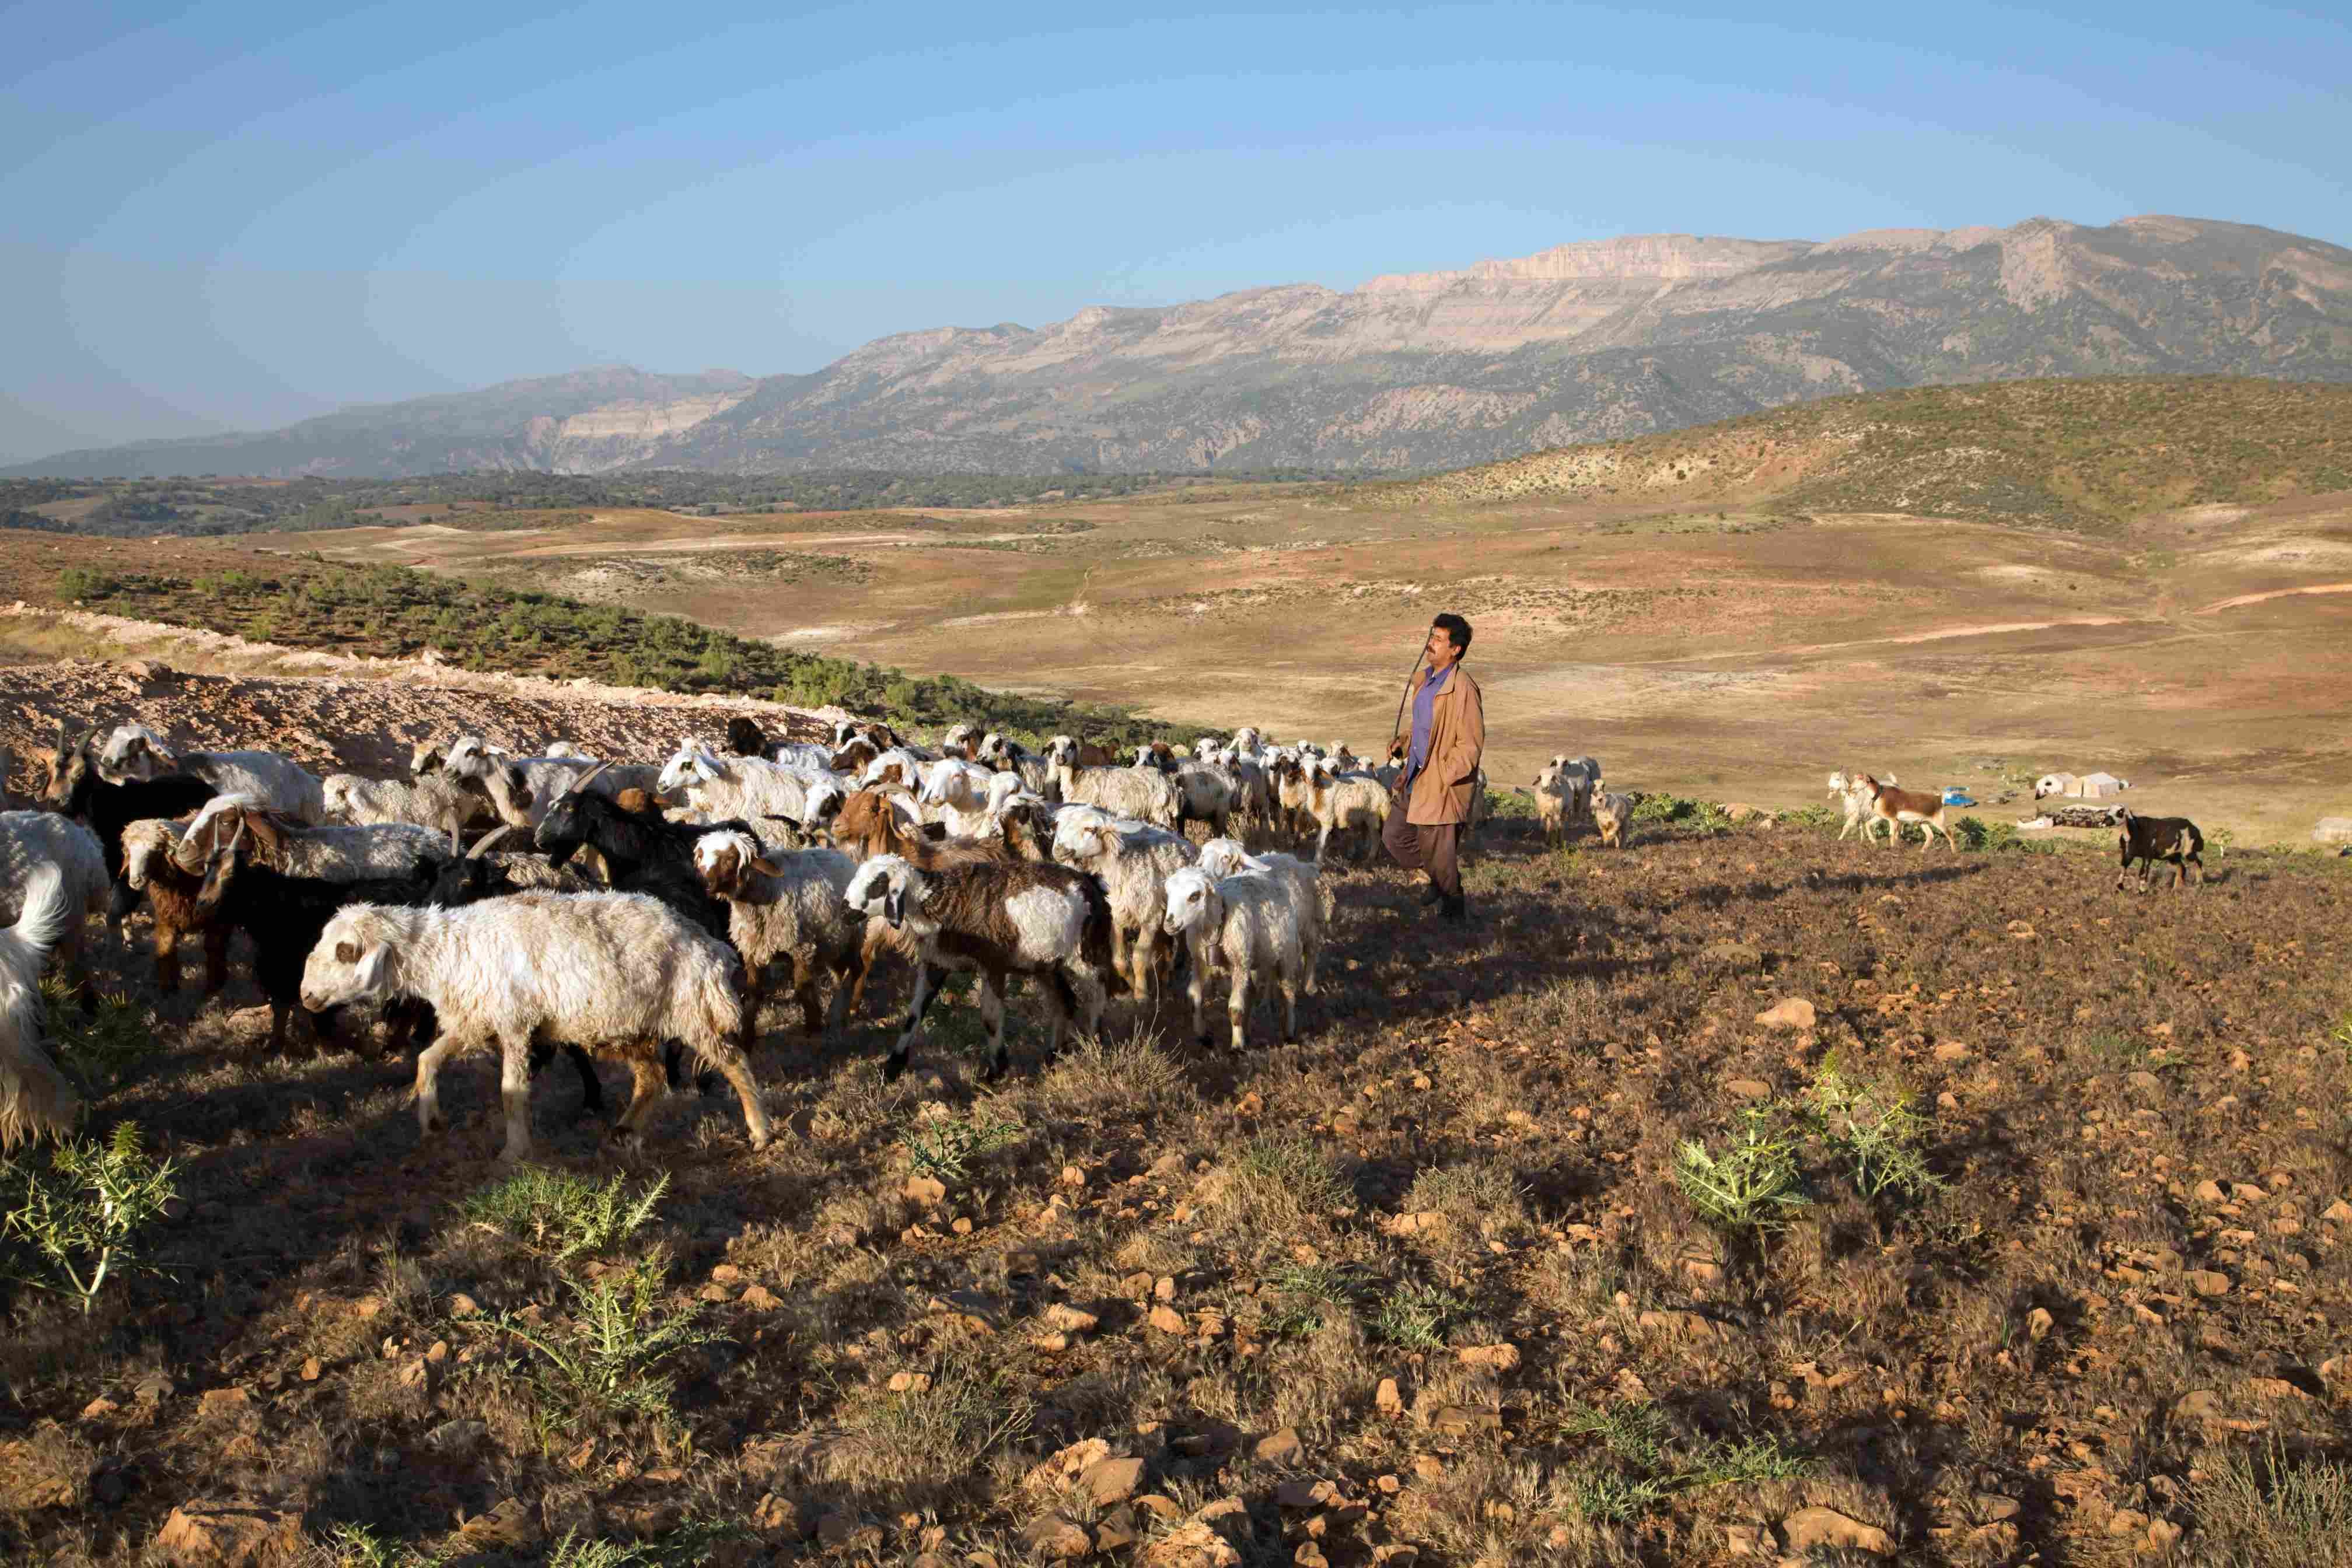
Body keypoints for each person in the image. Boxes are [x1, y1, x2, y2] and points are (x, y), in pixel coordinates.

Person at [1383, 613, 1484, 921]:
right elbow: (1425, 727)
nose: (1431, 644)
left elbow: (1471, 743)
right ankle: (1440, 881)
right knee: (1394, 836)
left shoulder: (1463, 688)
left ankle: (1454, 911)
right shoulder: (1425, 681)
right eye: (1432, 637)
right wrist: (1404, 741)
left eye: (1438, 640)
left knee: (1440, 854)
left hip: (1439, 784)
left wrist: (1444, 775)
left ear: (1455, 649)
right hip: (1414, 777)